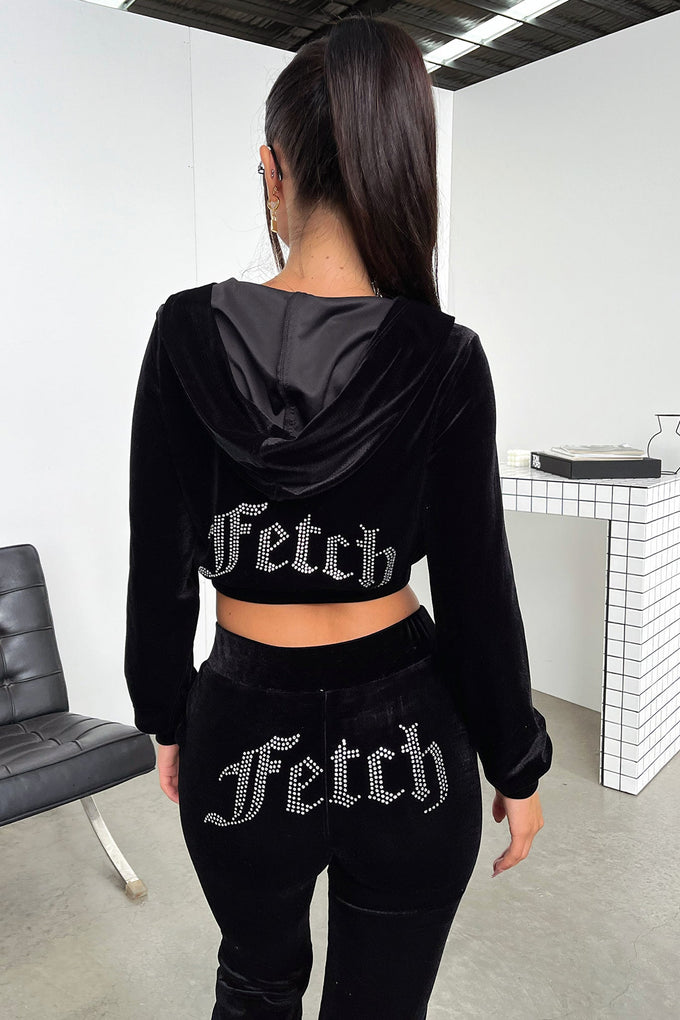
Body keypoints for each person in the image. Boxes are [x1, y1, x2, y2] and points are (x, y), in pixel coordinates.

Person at [124, 12, 553, 1019]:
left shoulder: (182, 335)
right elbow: (477, 590)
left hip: (240, 726)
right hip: (407, 732)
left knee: (255, 984)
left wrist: (167, 715)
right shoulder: (443, 357)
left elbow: (159, 562)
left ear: (272, 171)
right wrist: (516, 761)